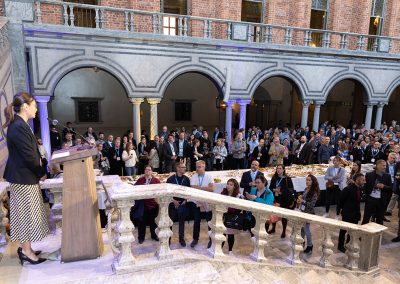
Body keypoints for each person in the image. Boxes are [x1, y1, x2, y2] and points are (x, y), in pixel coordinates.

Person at [3, 93, 48, 265]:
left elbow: (31, 152)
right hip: (23, 178)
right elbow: (28, 156)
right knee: (25, 216)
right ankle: (26, 251)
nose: (36, 108)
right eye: (34, 105)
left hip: (24, 177)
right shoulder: (18, 127)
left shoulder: (21, 124)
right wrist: (41, 172)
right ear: (25, 107)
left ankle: (26, 248)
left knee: (27, 215)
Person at [337, 173, 366, 253]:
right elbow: (340, 201)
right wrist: (338, 211)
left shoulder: (360, 189)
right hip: (347, 213)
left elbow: (358, 202)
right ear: (357, 180)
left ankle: (348, 244)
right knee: (343, 231)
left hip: (355, 214)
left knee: (352, 231)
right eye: (363, 180)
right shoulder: (348, 189)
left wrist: (359, 214)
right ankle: (340, 246)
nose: (364, 181)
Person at [189, 160, 215, 248]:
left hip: (207, 202)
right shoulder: (193, 176)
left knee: (209, 221)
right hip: (196, 202)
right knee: (196, 221)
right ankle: (195, 239)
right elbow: (192, 188)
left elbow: (212, 189)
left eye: (200, 167)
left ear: (204, 167)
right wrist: (206, 187)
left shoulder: (209, 176)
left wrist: (199, 188)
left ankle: (211, 240)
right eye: (197, 167)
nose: (198, 169)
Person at [131, 166, 160, 244]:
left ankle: (154, 235)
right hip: (143, 205)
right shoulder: (140, 180)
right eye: (146, 169)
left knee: (153, 222)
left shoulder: (156, 180)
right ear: (144, 171)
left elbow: (159, 191)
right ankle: (141, 237)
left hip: (153, 205)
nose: (147, 171)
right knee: (141, 222)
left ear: (152, 171)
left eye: (149, 169)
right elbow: (134, 189)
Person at [267, 164, 296, 238]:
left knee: (283, 216)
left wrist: (282, 191)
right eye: (277, 169)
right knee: (274, 214)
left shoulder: (287, 179)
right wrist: (274, 189)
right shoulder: (274, 177)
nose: (278, 170)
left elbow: (291, 189)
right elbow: (270, 187)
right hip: (275, 198)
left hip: (284, 200)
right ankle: (273, 228)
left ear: (283, 170)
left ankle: (284, 231)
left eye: (280, 168)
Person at [167, 161, 191, 247]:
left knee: (182, 222)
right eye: (183, 167)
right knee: (170, 223)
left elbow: (188, 192)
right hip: (173, 204)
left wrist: (185, 200)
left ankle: (181, 239)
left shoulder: (187, 179)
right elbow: (168, 193)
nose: (184, 169)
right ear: (177, 168)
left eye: (184, 167)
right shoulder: (170, 179)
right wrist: (173, 200)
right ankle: (168, 240)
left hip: (183, 203)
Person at [362, 159, 393, 225]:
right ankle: (363, 233)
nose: (385, 167)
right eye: (383, 165)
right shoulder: (368, 175)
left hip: (381, 200)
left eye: (385, 165)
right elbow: (365, 186)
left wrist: (383, 186)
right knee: (366, 218)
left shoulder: (387, 176)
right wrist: (366, 197)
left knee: (380, 219)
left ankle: (379, 234)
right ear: (378, 166)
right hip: (370, 199)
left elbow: (391, 188)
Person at [298, 174, 320, 254]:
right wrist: (300, 198)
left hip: (308, 212)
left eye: (309, 180)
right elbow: (304, 199)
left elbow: (311, 205)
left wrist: (303, 201)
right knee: (302, 229)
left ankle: (310, 245)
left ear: (313, 181)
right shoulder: (306, 189)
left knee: (306, 229)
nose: (307, 181)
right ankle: (301, 242)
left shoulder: (314, 192)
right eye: (306, 180)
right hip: (303, 211)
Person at [221, 179, 243, 254]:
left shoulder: (238, 196)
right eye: (228, 184)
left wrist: (229, 209)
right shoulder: (223, 193)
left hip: (232, 218)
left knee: (230, 235)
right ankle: (220, 249)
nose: (228, 186)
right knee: (222, 234)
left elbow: (239, 209)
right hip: (223, 216)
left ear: (234, 186)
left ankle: (230, 250)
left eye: (231, 184)